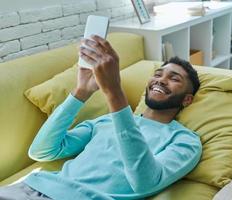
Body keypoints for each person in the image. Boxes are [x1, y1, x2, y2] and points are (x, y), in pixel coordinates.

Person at [0, 35, 202, 200]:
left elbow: (145, 181)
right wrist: (80, 92)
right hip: (29, 188)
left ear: (187, 99)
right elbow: (42, 151)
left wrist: (114, 93)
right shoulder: (105, 121)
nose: (162, 80)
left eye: (174, 79)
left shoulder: (186, 141)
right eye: (158, 74)